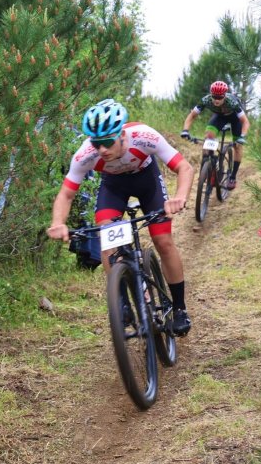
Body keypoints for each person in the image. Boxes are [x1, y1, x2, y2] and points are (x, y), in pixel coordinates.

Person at [47, 99, 195, 336]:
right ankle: (123, 301)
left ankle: (179, 308)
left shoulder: (144, 136)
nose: (102, 150)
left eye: (107, 142)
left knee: (163, 241)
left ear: (122, 135)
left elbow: (184, 168)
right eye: (96, 144)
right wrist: (57, 223)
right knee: (109, 242)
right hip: (114, 187)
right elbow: (66, 194)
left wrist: (179, 197)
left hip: (147, 181)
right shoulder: (85, 155)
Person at [180, 80, 250, 190]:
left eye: (220, 98)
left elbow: (245, 122)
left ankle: (232, 176)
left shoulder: (233, 102)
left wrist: (242, 137)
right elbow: (192, 116)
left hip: (235, 120)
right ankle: (208, 166)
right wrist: (185, 130)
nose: (216, 100)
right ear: (211, 94)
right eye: (214, 97)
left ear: (225, 96)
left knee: (238, 146)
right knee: (209, 136)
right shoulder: (206, 100)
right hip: (220, 117)